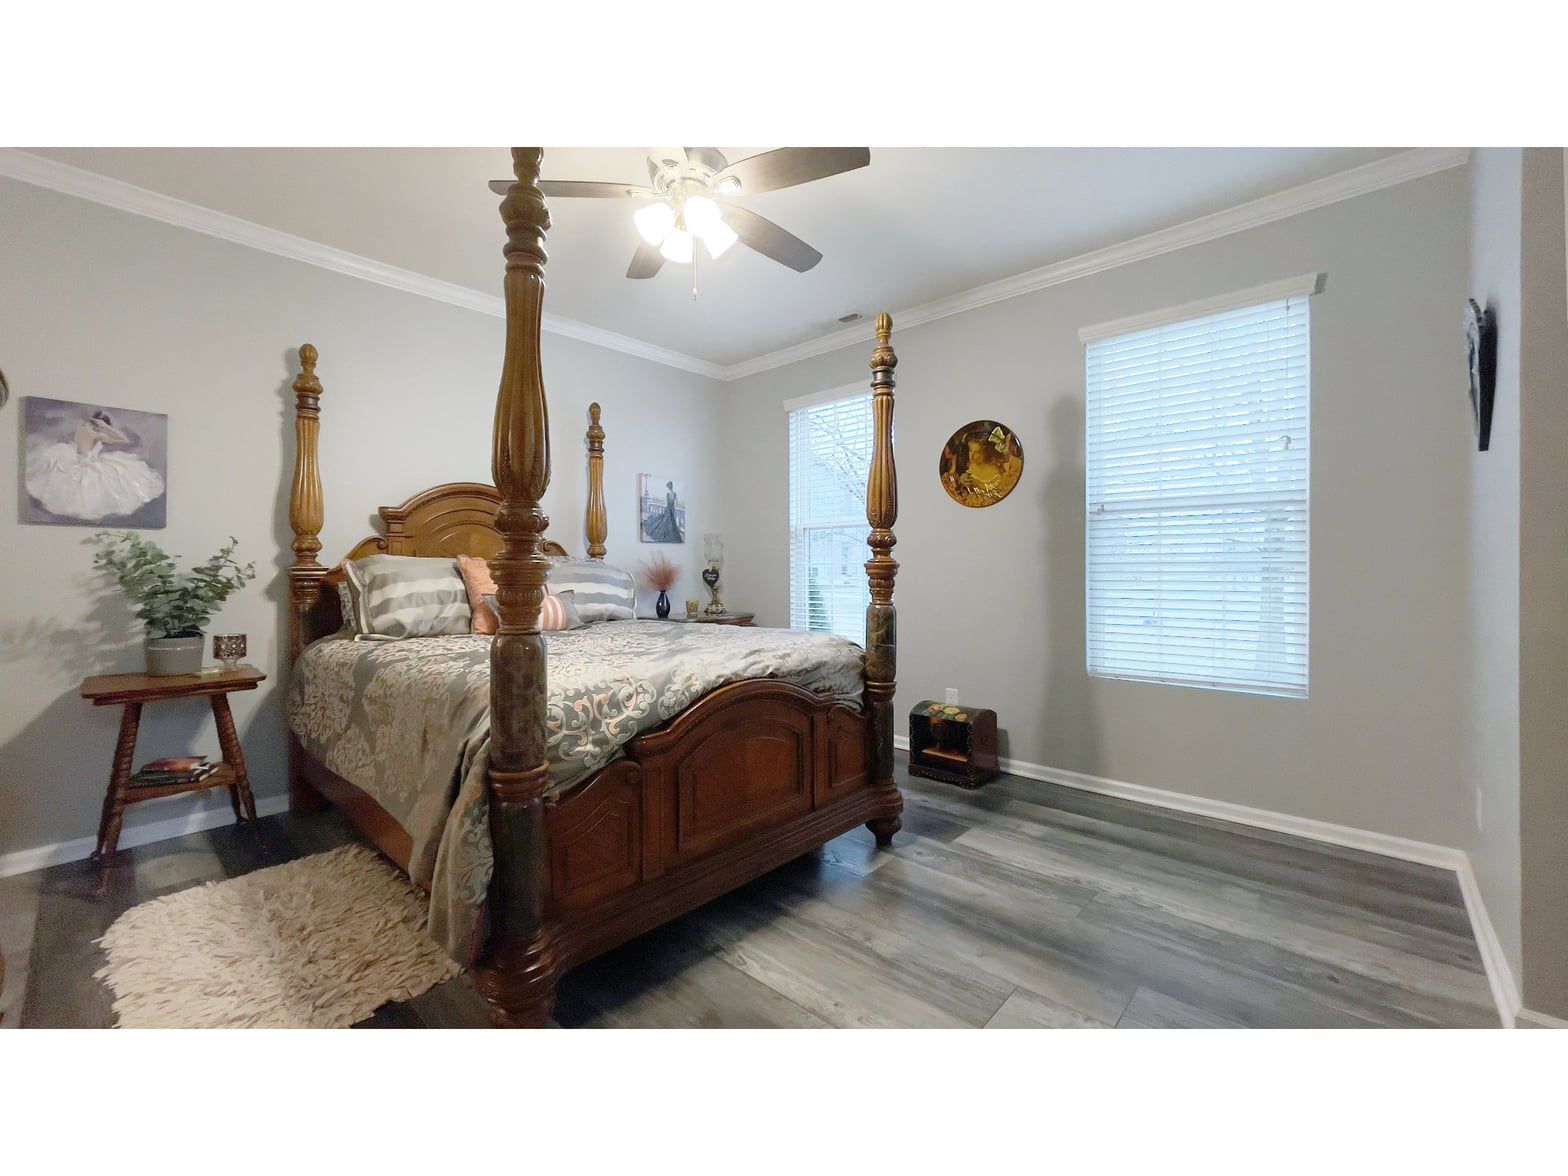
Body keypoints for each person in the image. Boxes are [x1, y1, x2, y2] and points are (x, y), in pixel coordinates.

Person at [25, 410, 165, 521]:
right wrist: (106, 428)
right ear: (98, 425)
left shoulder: (81, 430)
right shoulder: (96, 434)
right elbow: (124, 439)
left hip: (75, 457)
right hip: (83, 460)